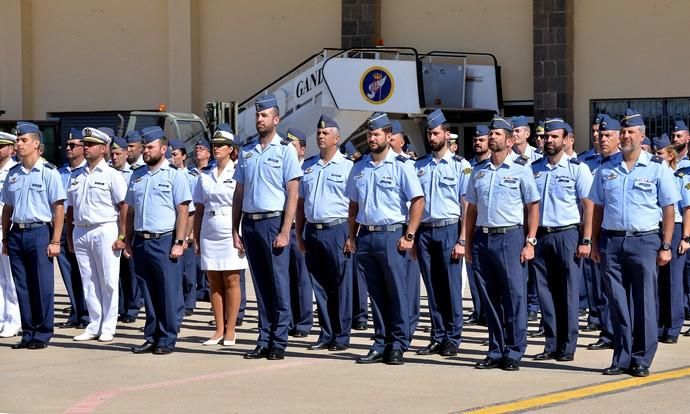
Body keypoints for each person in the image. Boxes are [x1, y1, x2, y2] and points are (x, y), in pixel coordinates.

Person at [589, 109, 679, 377]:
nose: (626, 136)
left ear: (642, 136)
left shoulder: (656, 168)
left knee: (644, 302)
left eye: (631, 132)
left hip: (644, 241)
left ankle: (641, 358)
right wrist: (593, 243)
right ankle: (622, 356)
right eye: (624, 132)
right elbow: (598, 210)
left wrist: (665, 245)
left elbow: (669, 209)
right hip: (612, 242)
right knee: (617, 302)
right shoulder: (606, 169)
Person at [345, 112, 425, 365]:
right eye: (369, 134)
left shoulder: (401, 166)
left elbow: (418, 200)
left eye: (377, 134)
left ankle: (398, 343)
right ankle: (381, 341)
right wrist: (351, 236)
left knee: (396, 292)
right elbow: (353, 206)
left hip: (392, 235)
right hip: (367, 236)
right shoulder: (359, 167)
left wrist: (409, 234)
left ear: (389, 137)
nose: (372, 138)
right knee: (376, 294)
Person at [464, 116, 540, 371]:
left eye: (497, 134)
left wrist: (530, 241)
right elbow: (471, 210)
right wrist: (467, 241)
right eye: (491, 133)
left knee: (514, 296)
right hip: (483, 238)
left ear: (509, 141)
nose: (492, 137)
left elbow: (532, 207)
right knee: (490, 297)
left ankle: (515, 350)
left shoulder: (521, 169)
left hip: (510, 237)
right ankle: (495, 349)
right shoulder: (479, 171)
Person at [233, 93, 302, 361]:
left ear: (276, 119)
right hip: (250, 223)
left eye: (264, 115)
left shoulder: (285, 150)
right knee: (260, 286)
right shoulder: (248, 152)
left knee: (279, 284)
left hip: (274, 222)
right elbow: (239, 192)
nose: (259, 119)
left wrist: (286, 230)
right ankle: (263, 337)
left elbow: (293, 194)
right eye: (257, 115)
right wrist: (234, 228)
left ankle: (279, 340)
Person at [530, 118, 593, 362]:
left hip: (567, 234)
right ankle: (551, 343)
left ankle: (568, 346)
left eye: (554, 137)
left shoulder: (578, 168)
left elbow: (588, 206)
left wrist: (586, 239)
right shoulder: (534, 169)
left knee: (568, 290)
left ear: (566, 139)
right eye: (546, 137)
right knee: (545, 292)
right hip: (542, 236)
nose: (549, 141)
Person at [125, 126, 191, 355]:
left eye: (150, 147)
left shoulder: (175, 175)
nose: (145, 151)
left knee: (167, 292)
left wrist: (179, 242)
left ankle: (167, 338)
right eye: (143, 146)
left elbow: (183, 211)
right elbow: (130, 210)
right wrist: (128, 239)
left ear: (163, 149)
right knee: (148, 292)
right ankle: (151, 336)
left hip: (164, 240)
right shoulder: (137, 175)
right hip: (141, 240)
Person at [2, 122, 66, 350]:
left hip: (39, 232)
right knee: (22, 285)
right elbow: (8, 207)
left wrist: (55, 240)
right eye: (17, 140)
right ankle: (28, 332)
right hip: (16, 233)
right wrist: (5, 238)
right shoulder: (14, 174)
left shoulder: (49, 172)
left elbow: (59, 208)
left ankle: (42, 332)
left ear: (36, 144)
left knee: (42, 285)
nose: (18, 144)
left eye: (23, 140)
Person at [414, 109, 471, 357]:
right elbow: (413, 205)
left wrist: (462, 238)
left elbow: (466, 205)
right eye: (429, 133)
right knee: (433, 287)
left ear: (447, 135)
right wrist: (412, 235)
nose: (432, 137)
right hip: (425, 231)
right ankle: (437, 336)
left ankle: (452, 337)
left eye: (436, 132)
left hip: (449, 228)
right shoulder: (419, 165)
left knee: (450, 286)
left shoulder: (461, 165)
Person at [296, 115, 354, 351]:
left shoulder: (348, 166)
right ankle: (326, 332)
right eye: (319, 133)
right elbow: (301, 203)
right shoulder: (308, 166)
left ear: (337, 138)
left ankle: (341, 336)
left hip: (337, 229)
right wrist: (299, 234)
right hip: (313, 230)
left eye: (325, 133)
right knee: (319, 285)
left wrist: (351, 235)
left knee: (340, 285)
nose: (320, 136)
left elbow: (353, 205)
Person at [66, 128, 127, 342]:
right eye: (85, 144)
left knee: (109, 280)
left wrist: (122, 237)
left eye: (90, 144)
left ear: (103, 149)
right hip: (81, 229)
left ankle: (109, 326)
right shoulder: (76, 176)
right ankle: (94, 324)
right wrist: (69, 235)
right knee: (89, 280)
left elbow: (124, 207)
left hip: (105, 228)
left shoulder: (112, 175)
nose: (86, 148)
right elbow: (70, 209)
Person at [193, 124, 248, 346]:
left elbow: (242, 203)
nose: (216, 148)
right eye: (214, 145)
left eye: (221, 145)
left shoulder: (238, 171)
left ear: (230, 148)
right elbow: (198, 207)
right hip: (209, 226)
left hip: (230, 225)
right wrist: (195, 236)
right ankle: (218, 329)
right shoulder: (205, 174)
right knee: (213, 280)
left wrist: (239, 232)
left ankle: (231, 329)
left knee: (231, 279)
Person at [585, 115, 619, 351]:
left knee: (616, 291)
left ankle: (617, 334)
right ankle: (607, 331)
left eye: (605, 133)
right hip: (603, 234)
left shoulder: (619, 163)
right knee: (601, 287)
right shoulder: (590, 162)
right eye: (597, 132)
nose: (599, 136)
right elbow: (593, 206)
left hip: (624, 234)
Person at [388, 120, 422, 338]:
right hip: (392, 228)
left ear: (402, 140)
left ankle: (409, 323)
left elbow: (416, 201)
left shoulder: (408, 164)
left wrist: (412, 232)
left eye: (393, 137)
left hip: (408, 227)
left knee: (408, 281)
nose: (389, 141)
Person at [281, 128, 314, 337]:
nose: (289, 151)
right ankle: (290, 319)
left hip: (299, 228)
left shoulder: (308, 170)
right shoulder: (282, 168)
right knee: (286, 277)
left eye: (292, 146)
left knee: (302, 278)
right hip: (284, 229)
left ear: (302, 149)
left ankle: (303, 322)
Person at [56, 129, 89, 329]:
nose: (68, 148)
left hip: (80, 225)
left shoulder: (87, 171)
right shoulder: (60, 172)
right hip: (61, 226)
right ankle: (76, 311)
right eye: (67, 145)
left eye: (73, 145)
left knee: (85, 272)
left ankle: (87, 313)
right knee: (68, 273)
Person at [652, 134, 684, 344]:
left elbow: (687, 209)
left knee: (673, 279)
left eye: (660, 153)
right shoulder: (654, 173)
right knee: (659, 281)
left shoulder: (678, 176)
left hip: (677, 227)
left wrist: (686, 237)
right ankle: (660, 323)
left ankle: (673, 327)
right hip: (656, 227)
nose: (657, 156)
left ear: (670, 155)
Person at [110, 137, 141, 324]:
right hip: (110, 226)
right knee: (116, 271)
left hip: (130, 226)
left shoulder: (134, 173)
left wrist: (125, 233)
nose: (114, 157)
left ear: (126, 154)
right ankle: (120, 306)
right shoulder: (107, 172)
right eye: (112, 154)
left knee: (130, 270)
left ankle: (132, 306)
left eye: (118, 153)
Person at [169, 139, 198, 318]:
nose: (172, 158)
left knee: (188, 269)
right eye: (170, 155)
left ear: (184, 156)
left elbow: (191, 207)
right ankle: (180, 302)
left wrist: (189, 234)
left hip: (186, 227)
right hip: (172, 227)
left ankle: (190, 301)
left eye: (175, 155)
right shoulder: (168, 174)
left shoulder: (191, 177)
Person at [465, 125, 491, 326]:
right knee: (475, 274)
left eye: (481, 139)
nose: (477, 143)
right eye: (475, 140)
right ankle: (479, 310)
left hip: (496, 228)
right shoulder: (471, 167)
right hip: (475, 227)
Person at [0, 131, 20, 338]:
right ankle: (1, 318)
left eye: (1, 146)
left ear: (11, 149)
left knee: (11, 279)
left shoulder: (14, 172)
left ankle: (14, 320)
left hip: (7, 229)